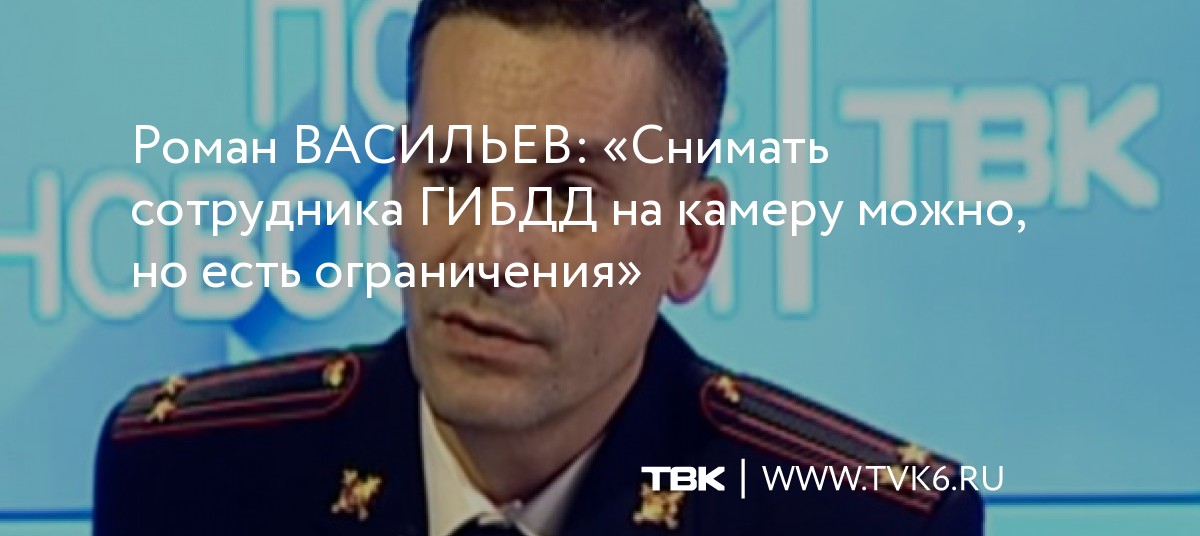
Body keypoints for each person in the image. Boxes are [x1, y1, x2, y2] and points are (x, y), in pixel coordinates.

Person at [93, 1, 983, 535]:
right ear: (395, 193)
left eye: (565, 195)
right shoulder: (187, 474)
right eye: (451, 176)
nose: (492, 257)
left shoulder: (859, 520)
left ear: (692, 242)